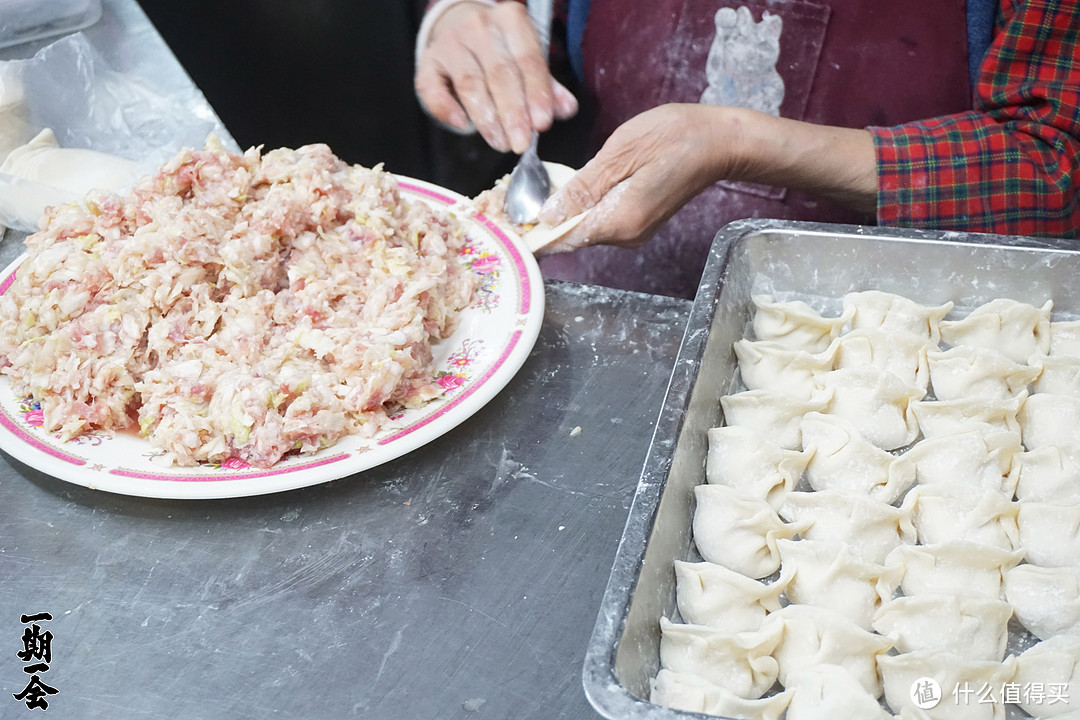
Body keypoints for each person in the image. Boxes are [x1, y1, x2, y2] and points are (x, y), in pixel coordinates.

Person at [414, 0, 1080, 299]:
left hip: (876, 334)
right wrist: (460, 19)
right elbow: (531, 22)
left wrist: (738, 142)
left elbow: (1053, 167)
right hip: (592, 303)